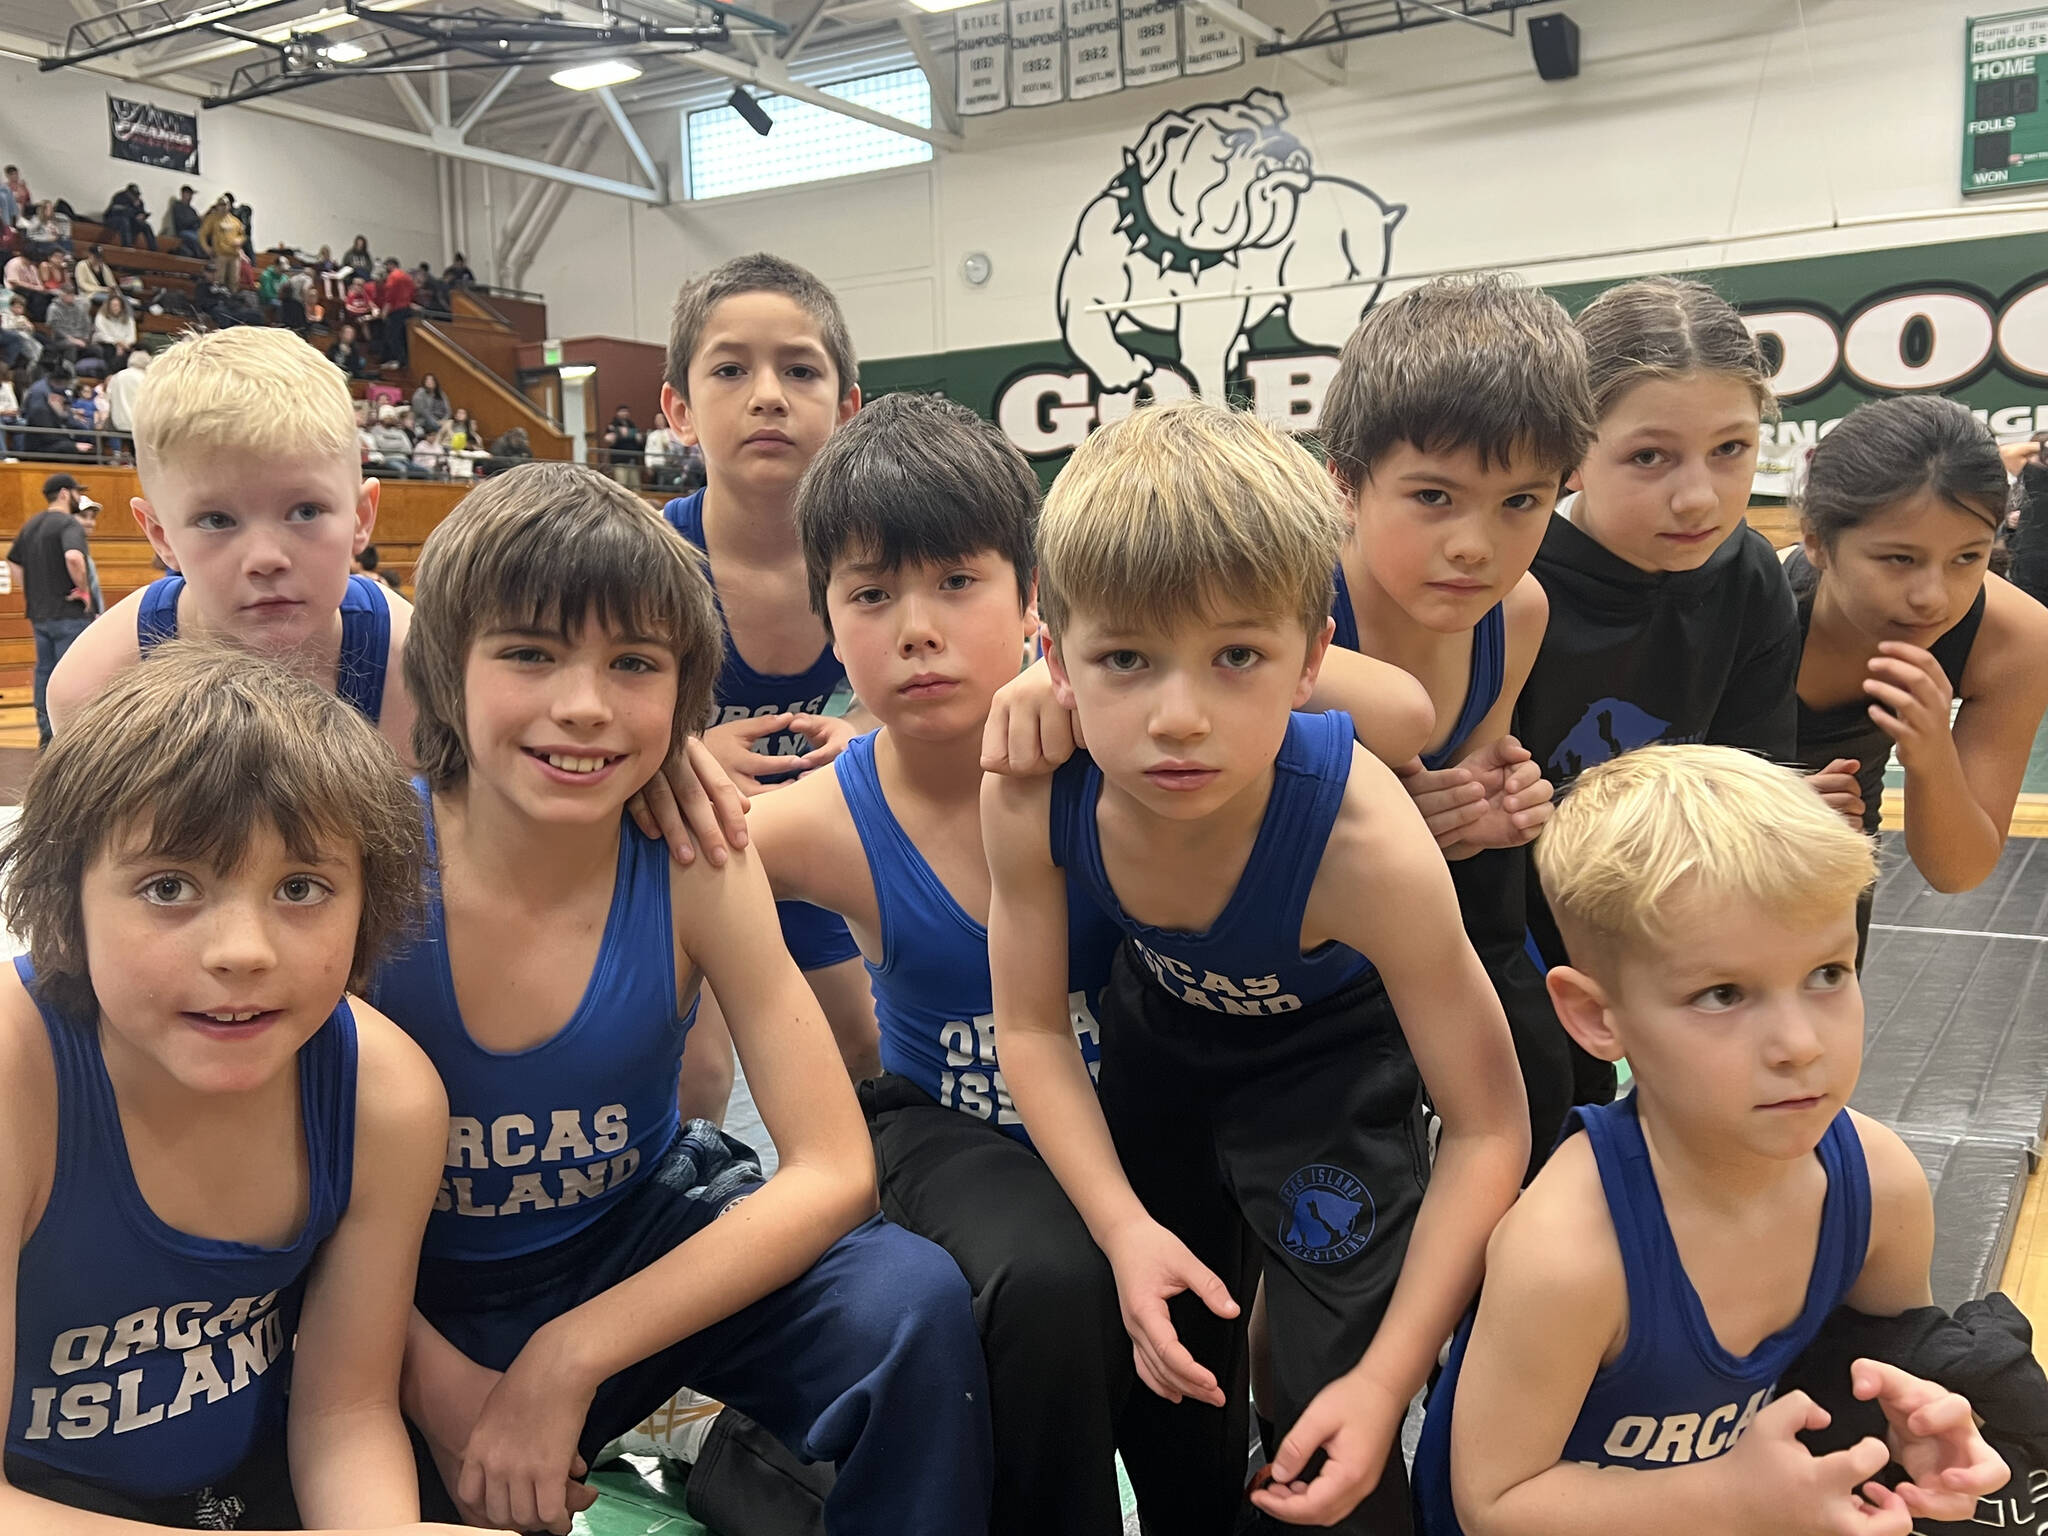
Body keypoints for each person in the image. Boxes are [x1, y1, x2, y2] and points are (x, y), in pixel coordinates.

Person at [377, 462, 992, 1536]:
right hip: (402, 1300)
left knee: (906, 1308)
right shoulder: (360, 864)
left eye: (633, 664)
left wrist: (565, 1359)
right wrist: (437, 1387)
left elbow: (836, 1171)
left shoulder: (693, 858)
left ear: (683, 691)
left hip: (630, 1245)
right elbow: (276, 1211)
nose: (583, 705)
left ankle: (749, 1456)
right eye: (529, 653)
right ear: (445, 667)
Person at [985, 400, 1529, 1534]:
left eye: (1236, 656)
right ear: (1055, 660)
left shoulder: (1362, 844)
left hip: (1331, 1072)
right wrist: (1123, 1231)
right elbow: (1030, 1032)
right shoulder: (1034, 789)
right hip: (1163, 1052)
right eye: (1125, 660)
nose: (1177, 719)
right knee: (1163, 1368)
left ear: (1309, 660)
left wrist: (1387, 1383)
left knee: (1337, 1420)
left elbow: (1488, 1128)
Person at [1412, 744, 2010, 1536]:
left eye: (1828, 974)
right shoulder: (1569, 1253)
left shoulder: (1879, 1184)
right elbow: (1493, 1505)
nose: (1799, 1043)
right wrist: (1731, 1502)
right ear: (1597, 1017)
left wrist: (1917, 1429)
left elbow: (1866, 1379)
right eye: (1723, 993)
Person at [731, 391, 1130, 1534]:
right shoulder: (818, 823)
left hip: (1117, 1123)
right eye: (870, 594)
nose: (915, 628)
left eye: (956, 583)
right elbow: (622, 881)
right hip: (938, 1136)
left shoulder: (1119, 750)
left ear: (1030, 598)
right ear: (826, 618)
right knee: (1052, 1273)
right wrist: (667, 769)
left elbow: (1329, 704)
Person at [0, 641, 498, 1536]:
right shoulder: (14, 1073)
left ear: (368, 903)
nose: (244, 951)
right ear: (66, 900)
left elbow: (344, 1417)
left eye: (301, 887)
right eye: (169, 887)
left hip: (241, 1488)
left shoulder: (384, 1096)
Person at [1318, 271, 1592, 1174]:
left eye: (1522, 502)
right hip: (1291, 953)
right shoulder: (1279, 597)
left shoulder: (1518, 613)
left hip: (1431, 935)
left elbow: (1472, 790)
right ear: (1347, 484)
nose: (1477, 545)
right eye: (1434, 497)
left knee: (1541, 1069)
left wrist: (1496, 809)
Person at [1514, 276, 1797, 1109]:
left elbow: (1754, 785)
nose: (1698, 496)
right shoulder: (1505, 573)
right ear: (1574, 448)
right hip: (1503, 927)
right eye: (1650, 456)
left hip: (1657, 921)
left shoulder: (1749, 577)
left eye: (1731, 450)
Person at [658, 253, 882, 1120]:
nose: (767, 395)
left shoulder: (882, 566)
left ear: (846, 408)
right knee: (698, 1077)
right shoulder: (643, 565)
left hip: (817, 855)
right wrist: (678, 749)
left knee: (865, 1051)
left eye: (799, 369)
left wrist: (868, 728)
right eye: (730, 369)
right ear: (679, 408)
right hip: (683, 855)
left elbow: (940, 690)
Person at [45, 327, 417, 759]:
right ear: (161, 537)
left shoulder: (411, 674)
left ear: (361, 518)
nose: (265, 559)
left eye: (306, 511)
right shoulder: (92, 689)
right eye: (216, 520)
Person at [1788, 395, 2048, 955]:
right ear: (1816, 542)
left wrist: (1932, 756)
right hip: (1693, 863)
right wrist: (1759, 807)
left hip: (1831, 864)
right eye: (1899, 560)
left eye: (1967, 558)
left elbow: (1958, 871)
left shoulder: (2017, 639)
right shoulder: (1746, 604)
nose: (1933, 597)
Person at [7, 473, 99, 743]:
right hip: (69, 613)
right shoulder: (68, 524)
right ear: (63, 493)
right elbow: (73, 558)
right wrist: (82, 589)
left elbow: (13, 562)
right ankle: (73, 736)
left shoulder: (31, 525)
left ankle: (48, 735)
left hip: (40, 613)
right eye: (76, 492)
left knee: (44, 672)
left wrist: (32, 591)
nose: (79, 498)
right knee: (75, 673)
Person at [102, 346, 147, 446]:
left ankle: (117, 453)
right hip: (140, 424)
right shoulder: (146, 378)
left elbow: (108, 397)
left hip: (118, 422)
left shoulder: (117, 376)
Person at [379, 259, 414, 370]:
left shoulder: (393, 277)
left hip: (396, 310)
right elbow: (413, 291)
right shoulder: (407, 277)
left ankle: (399, 360)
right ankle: (405, 361)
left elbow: (390, 295)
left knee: (393, 336)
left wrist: (384, 311)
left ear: (391, 265)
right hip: (407, 309)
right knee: (403, 337)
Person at [101, 184, 152, 249]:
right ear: (127, 193)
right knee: (124, 221)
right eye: (133, 194)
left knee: (146, 226)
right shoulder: (119, 197)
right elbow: (117, 212)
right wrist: (133, 211)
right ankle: (127, 246)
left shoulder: (138, 201)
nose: (134, 196)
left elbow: (140, 213)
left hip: (130, 222)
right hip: (113, 220)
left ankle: (153, 249)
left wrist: (142, 215)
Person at [91, 293, 134, 369]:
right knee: (110, 350)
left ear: (121, 307)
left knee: (139, 349)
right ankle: (109, 374)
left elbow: (132, 336)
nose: (115, 308)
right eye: (113, 305)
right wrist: (117, 343)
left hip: (125, 344)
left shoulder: (128, 318)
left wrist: (124, 345)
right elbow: (102, 335)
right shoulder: (101, 317)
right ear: (108, 306)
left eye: (117, 305)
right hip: (106, 343)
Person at [0, 294, 41, 373]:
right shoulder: (5, 314)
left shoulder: (22, 317)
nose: (19, 309)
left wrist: (28, 327)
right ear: (11, 306)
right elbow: (4, 328)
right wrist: (17, 325)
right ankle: (32, 363)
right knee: (22, 339)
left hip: (24, 337)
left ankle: (33, 363)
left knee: (38, 344)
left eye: (21, 307)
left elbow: (31, 331)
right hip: (10, 336)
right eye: (17, 307)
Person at [601, 404, 644, 473]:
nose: (625, 413)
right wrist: (620, 432)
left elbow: (638, 437)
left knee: (634, 482)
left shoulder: (632, 424)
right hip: (619, 459)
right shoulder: (613, 424)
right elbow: (608, 438)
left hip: (632, 458)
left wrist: (627, 434)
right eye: (622, 411)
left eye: (626, 411)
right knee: (622, 481)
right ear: (618, 413)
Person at [167, 184, 203, 259]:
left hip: (194, 231)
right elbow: (182, 223)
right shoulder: (177, 207)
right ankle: (201, 258)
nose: (190, 197)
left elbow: (197, 223)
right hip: (183, 231)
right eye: (189, 194)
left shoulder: (192, 209)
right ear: (183, 194)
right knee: (196, 239)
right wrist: (197, 219)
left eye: (191, 195)